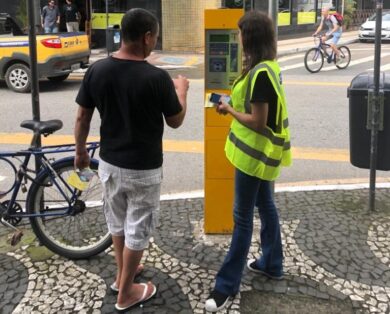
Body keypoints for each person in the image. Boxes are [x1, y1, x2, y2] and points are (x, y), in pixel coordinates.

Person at [73, 8, 189, 312]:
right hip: (144, 169)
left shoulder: (98, 70)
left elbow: (83, 115)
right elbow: (175, 120)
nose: (155, 42)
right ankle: (126, 293)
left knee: (118, 221)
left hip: (110, 165)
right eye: (155, 37)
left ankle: (121, 274)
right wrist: (182, 91)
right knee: (137, 227)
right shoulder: (157, 78)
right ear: (147, 37)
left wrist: (81, 151)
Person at [204, 11, 291, 312]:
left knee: (242, 220)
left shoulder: (261, 74)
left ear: (249, 37)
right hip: (262, 155)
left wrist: (228, 110)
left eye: (241, 33)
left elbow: (257, 121)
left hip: (252, 157)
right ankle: (272, 262)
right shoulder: (267, 67)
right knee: (266, 206)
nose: (238, 38)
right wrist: (230, 105)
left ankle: (225, 286)